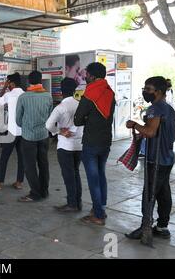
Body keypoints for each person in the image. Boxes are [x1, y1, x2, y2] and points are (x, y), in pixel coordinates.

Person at [125, 76, 175, 240]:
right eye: (145, 88)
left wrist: (134, 124)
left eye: (148, 89)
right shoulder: (169, 108)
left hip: (156, 159)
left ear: (159, 92)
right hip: (167, 158)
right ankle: (162, 226)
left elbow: (150, 132)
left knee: (149, 193)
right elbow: (174, 135)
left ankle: (145, 226)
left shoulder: (156, 108)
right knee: (163, 192)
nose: (145, 92)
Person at [74, 62, 116, 226]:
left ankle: (98, 215)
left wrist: (87, 119)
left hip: (91, 142)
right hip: (105, 141)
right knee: (101, 175)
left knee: (93, 179)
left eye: (86, 75)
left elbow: (77, 120)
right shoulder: (109, 92)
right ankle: (100, 208)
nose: (85, 77)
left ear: (91, 75)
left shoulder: (90, 93)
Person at [46, 81, 84, 212]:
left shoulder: (61, 107)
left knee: (68, 175)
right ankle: (78, 202)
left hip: (65, 146)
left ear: (61, 91)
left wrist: (59, 131)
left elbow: (48, 125)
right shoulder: (81, 104)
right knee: (76, 173)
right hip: (80, 145)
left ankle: (72, 204)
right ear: (75, 90)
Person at [16, 71, 53, 202]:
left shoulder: (24, 97)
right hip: (43, 135)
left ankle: (35, 193)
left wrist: (26, 126)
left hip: (29, 137)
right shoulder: (48, 96)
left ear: (28, 81)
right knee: (44, 164)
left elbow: (18, 120)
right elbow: (50, 117)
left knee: (30, 166)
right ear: (41, 81)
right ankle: (44, 191)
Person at [0, 73, 25, 192]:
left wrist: (4, 88)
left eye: (8, 83)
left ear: (11, 83)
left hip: (11, 131)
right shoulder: (25, 94)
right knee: (21, 158)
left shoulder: (9, 94)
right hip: (23, 132)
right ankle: (19, 182)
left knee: (4, 158)